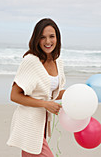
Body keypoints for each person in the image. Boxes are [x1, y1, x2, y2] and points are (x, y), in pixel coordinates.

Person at [7, 18, 66, 157]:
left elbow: (49, 94)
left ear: (57, 38)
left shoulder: (58, 61)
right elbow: (14, 95)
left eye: (52, 36)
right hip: (28, 123)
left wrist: (74, 94)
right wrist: (45, 104)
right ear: (36, 39)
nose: (48, 42)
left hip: (42, 123)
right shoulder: (31, 61)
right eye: (42, 37)